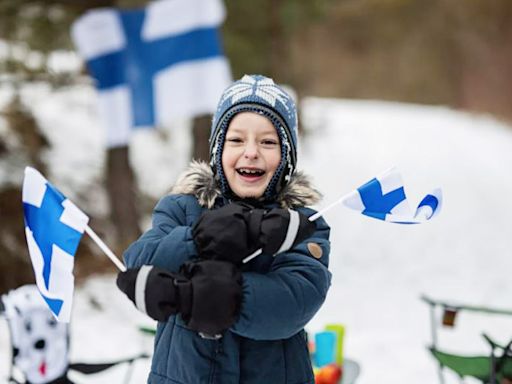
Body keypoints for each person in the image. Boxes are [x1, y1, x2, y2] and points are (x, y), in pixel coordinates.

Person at [116, 74, 331, 384]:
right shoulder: (182, 208)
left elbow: (295, 300)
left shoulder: (301, 224)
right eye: (236, 139)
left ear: (286, 156)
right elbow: (141, 261)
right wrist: (200, 238)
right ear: (218, 149)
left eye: (268, 142)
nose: (251, 152)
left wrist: (200, 296)